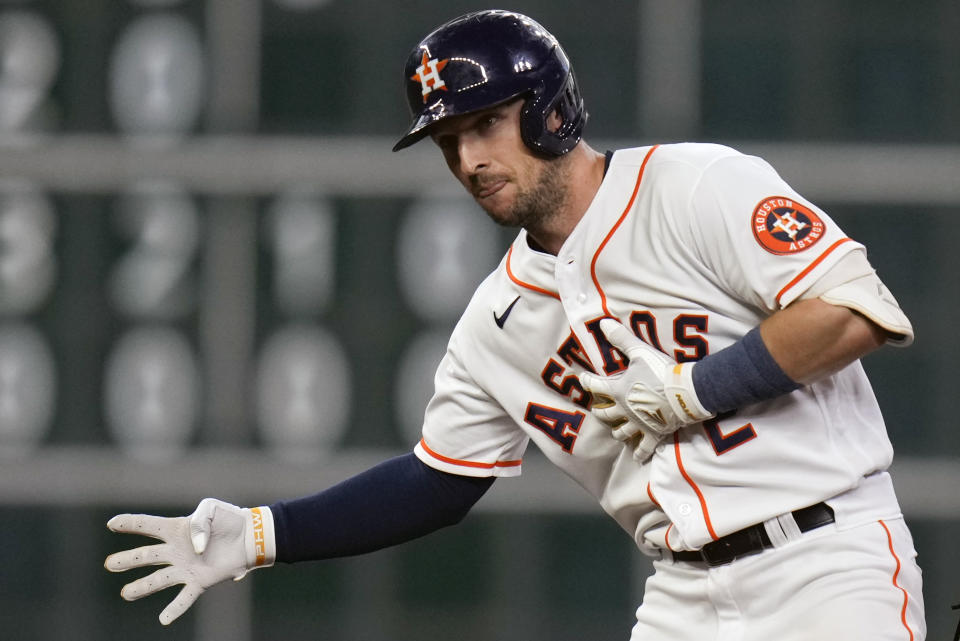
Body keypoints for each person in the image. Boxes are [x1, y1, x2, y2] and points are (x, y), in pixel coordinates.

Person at [104, 9, 926, 639]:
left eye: (486, 125)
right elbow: (437, 482)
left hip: (826, 560)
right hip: (684, 595)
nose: (468, 162)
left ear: (550, 112)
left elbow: (852, 311)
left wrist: (694, 389)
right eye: (449, 142)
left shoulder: (695, 187)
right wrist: (263, 532)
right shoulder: (495, 324)